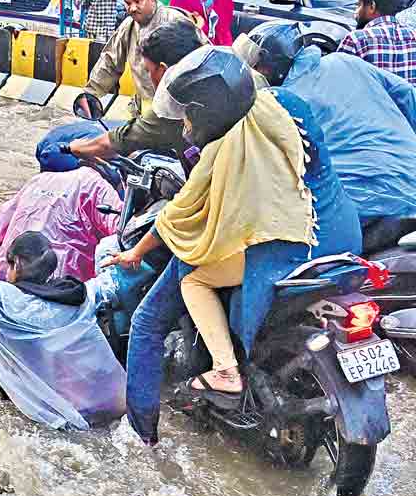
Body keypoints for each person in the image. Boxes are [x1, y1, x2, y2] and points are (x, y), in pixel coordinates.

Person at [106, 47, 362, 442]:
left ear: (209, 112)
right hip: (340, 231)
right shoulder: (286, 101)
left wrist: (135, 253)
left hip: (288, 243)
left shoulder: (223, 148)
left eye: (190, 114)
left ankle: (154, 426)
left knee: (160, 309)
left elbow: (180, 214)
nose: (187, 124)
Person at [238, 20, 416, 230]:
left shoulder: (278, 102)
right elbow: (407, 95)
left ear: (271, 67)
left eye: (258, 68)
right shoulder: (346, 61)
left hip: (363, 209)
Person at [0, 232, 127, 431]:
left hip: (57, 419)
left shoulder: (0, 303)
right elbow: (112, 279)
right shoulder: (81, 295)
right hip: (112, 404)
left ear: (17, 264)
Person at [67, 1, 202, 160]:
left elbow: (115, 143)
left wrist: (75, 147)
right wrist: (91, 92)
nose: (132, 7)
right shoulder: (129, 26)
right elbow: (109, 61)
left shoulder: (174, 107)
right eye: (127, 2)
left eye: (149, 70)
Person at [0, 166, 122, 282]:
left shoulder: (40, 180)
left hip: (3, 281)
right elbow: (123, 231)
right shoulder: (97, 186)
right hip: (61, 291)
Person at [338, 0, 416, 85]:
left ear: (372, 6)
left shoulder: (356, 40)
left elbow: (337, 87)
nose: (356, 13)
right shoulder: (413, 36)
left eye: (359, 5)